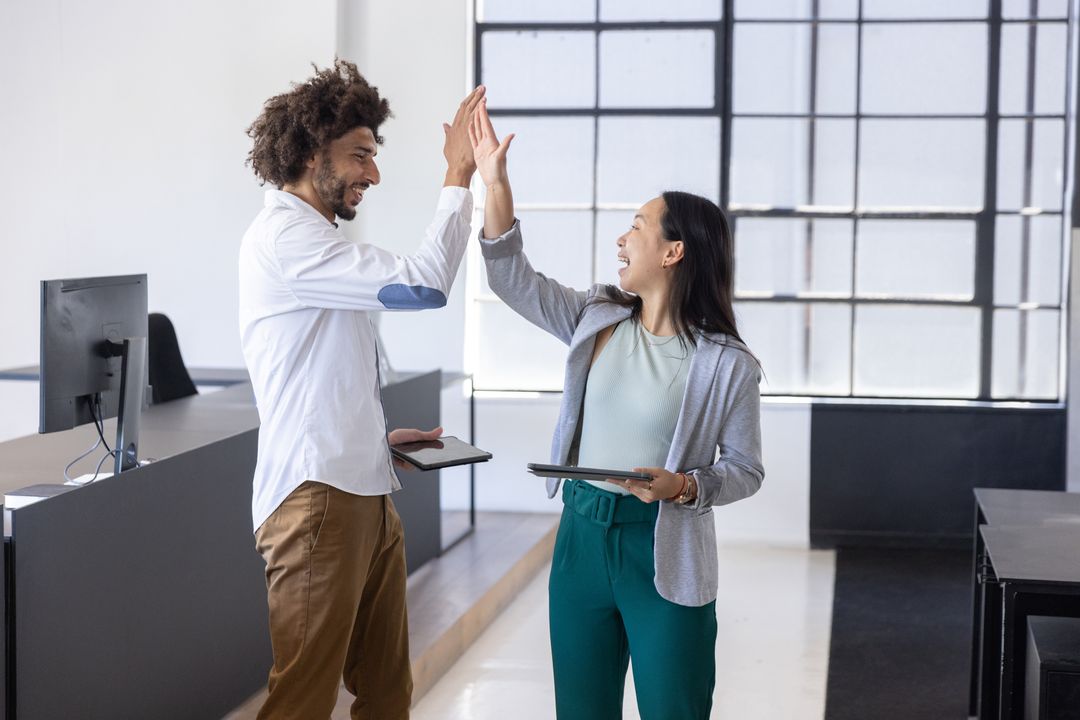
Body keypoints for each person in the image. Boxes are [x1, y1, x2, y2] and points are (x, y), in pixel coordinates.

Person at [469, 100, 765, 719]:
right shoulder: (595, 319)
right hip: (580, 534)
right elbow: (510, 277)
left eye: (637, 226)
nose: (621, 238)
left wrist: (684, 486)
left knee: (673, 709)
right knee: (581, 710)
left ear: (673, 252)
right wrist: (494, 182)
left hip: (663, 546)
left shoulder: (727, 363)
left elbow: (745, 468)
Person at [239, 59, 484, 720]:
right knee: (302, 701)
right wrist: (458, 174)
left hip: (364, 491)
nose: (372, 174)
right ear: (310, 151)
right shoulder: (288, 239)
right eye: (359, 156)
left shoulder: (316, 241)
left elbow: (325, 375)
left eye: (373, 157)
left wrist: (378, 438)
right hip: (319, 501)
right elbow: (422, 286)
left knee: (386, 696)